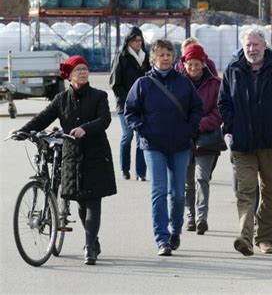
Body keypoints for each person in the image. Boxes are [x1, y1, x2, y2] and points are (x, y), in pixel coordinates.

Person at [10, 55, 117, 265]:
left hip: (95, 154)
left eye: (85, 69)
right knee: (79, 200)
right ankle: (93, 239)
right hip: (71, 156)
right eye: (78, 70)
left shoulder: (99, 96)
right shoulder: (61, 99)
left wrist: (84, 129)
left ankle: (89, 247)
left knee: (92, 201)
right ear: (69, 76)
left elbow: (104, 120)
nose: (83, 72)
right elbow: (42, 118)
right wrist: (22, 132)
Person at [218, 28, 272, 256]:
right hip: (243, 144)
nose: (252, 49)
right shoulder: (233, 69)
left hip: (271, 142)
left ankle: (265, 238)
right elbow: (223, 102)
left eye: (256, 44)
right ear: (243, 47)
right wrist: (232, 125)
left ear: (264, 45)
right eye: (248, 45)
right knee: (245, 191)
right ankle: (244, 237)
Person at [124, 39, 202, 256]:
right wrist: (141, 128)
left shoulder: (184, 83)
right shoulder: (143, 83)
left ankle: (175, 229)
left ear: (174, 57)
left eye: (169, 54)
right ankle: (162, 238)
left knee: (178, 194)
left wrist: (190, 129)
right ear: (153, 58)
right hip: (152, 145)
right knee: (159, 191)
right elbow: (130, 110)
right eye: (162, 55)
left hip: (180, 144)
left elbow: (197, 108)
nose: (166, 58)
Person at [180, 43, 222, 234]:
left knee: (202, 178)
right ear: (184, 64)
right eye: (190, 64)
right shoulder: (178, 84)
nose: (193, 68)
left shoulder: (215, 84)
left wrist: (201, 124)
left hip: (207, 138)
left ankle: (201, 217)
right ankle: (190, 217)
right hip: (184, 138)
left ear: (203, 63)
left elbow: (219, 110)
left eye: (197, 64)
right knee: (187, 181)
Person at [110, 26, 150, 181]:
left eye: (140, 40)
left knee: (142, 137)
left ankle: (141, 172)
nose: (138, 43)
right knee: (127, 135)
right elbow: (115, 84)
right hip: (125, 105)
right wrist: (130, 99)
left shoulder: (145, 58)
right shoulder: (121, 57)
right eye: (135, 40)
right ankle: (124, 169)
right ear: (129, 41)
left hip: (143, 105)